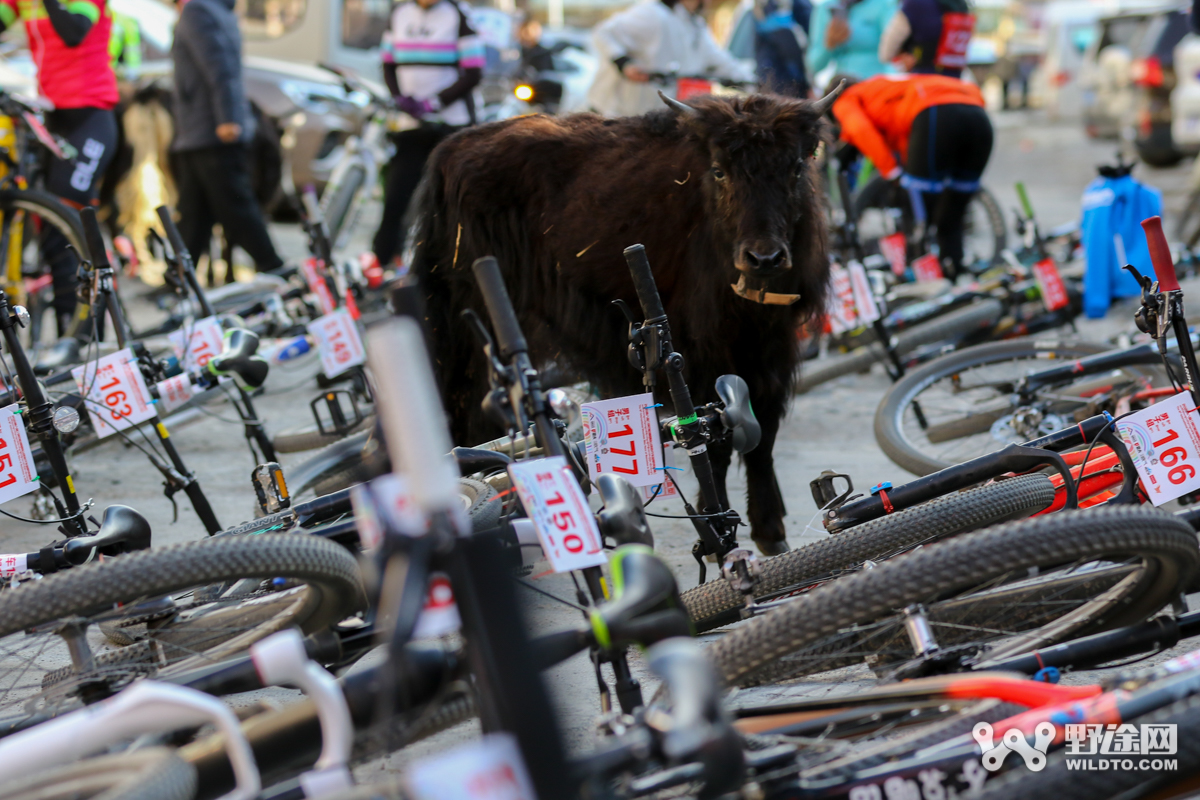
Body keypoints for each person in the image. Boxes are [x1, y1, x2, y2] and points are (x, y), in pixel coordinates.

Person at [0, 0, 119, 335]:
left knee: (68, 212)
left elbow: (74, 32)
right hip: (53, 117)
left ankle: (89, 328)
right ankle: (70, 324)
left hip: (92, 116)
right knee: (49, 227)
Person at [831, 73, 992, 279]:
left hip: (936, 112)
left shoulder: (845, 99)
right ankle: (954, 270)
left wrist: (892, 172)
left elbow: (860, 130)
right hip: (978, 114)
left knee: (916, 208)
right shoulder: (882, 87)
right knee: (953, 208)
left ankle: (919, 274)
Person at [171, 0, 284, 275]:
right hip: (201, 130)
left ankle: (274, 267)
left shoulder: (198, 10)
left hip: (211, 130)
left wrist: (228, 119)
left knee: (235, 207)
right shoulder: (216, 9)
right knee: (193, 212)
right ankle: (180, 279)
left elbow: (219, 67)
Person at [372, 0, 484, 268]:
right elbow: (388, 64)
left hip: (452, 124)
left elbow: (474, 72)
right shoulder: (399, 14)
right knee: (396, 197)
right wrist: (401, 98)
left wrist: (435, 102)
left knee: (452, 202)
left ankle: (458, 266)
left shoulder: (458, 15)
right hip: (412, 123)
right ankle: (381, 263)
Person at [587, 0, 756, 118]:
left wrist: (752, 83)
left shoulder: (694, 24)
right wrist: (624, 64)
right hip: (618, 115)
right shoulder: (651, 14)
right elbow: (604, 33)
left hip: (655, 115)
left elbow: (719, 60)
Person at [877, 0, 973, 77]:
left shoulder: (914, 4)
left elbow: (886, 53)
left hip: (925, 84)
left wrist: (905, 55)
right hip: (957, 82)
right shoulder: (961, 4)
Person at [807, 0, 897, 80]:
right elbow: (813, 66)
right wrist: (829, 45)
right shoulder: (826, 8)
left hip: (875, 84)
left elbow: (895, 51)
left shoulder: (885, 4)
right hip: (841, 85)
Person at [753, 0, 812, 97]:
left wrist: (807, 85)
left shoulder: (798, 5)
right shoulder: (762, 6)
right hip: (780, 86)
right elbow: (762, 51)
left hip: (792, 86)